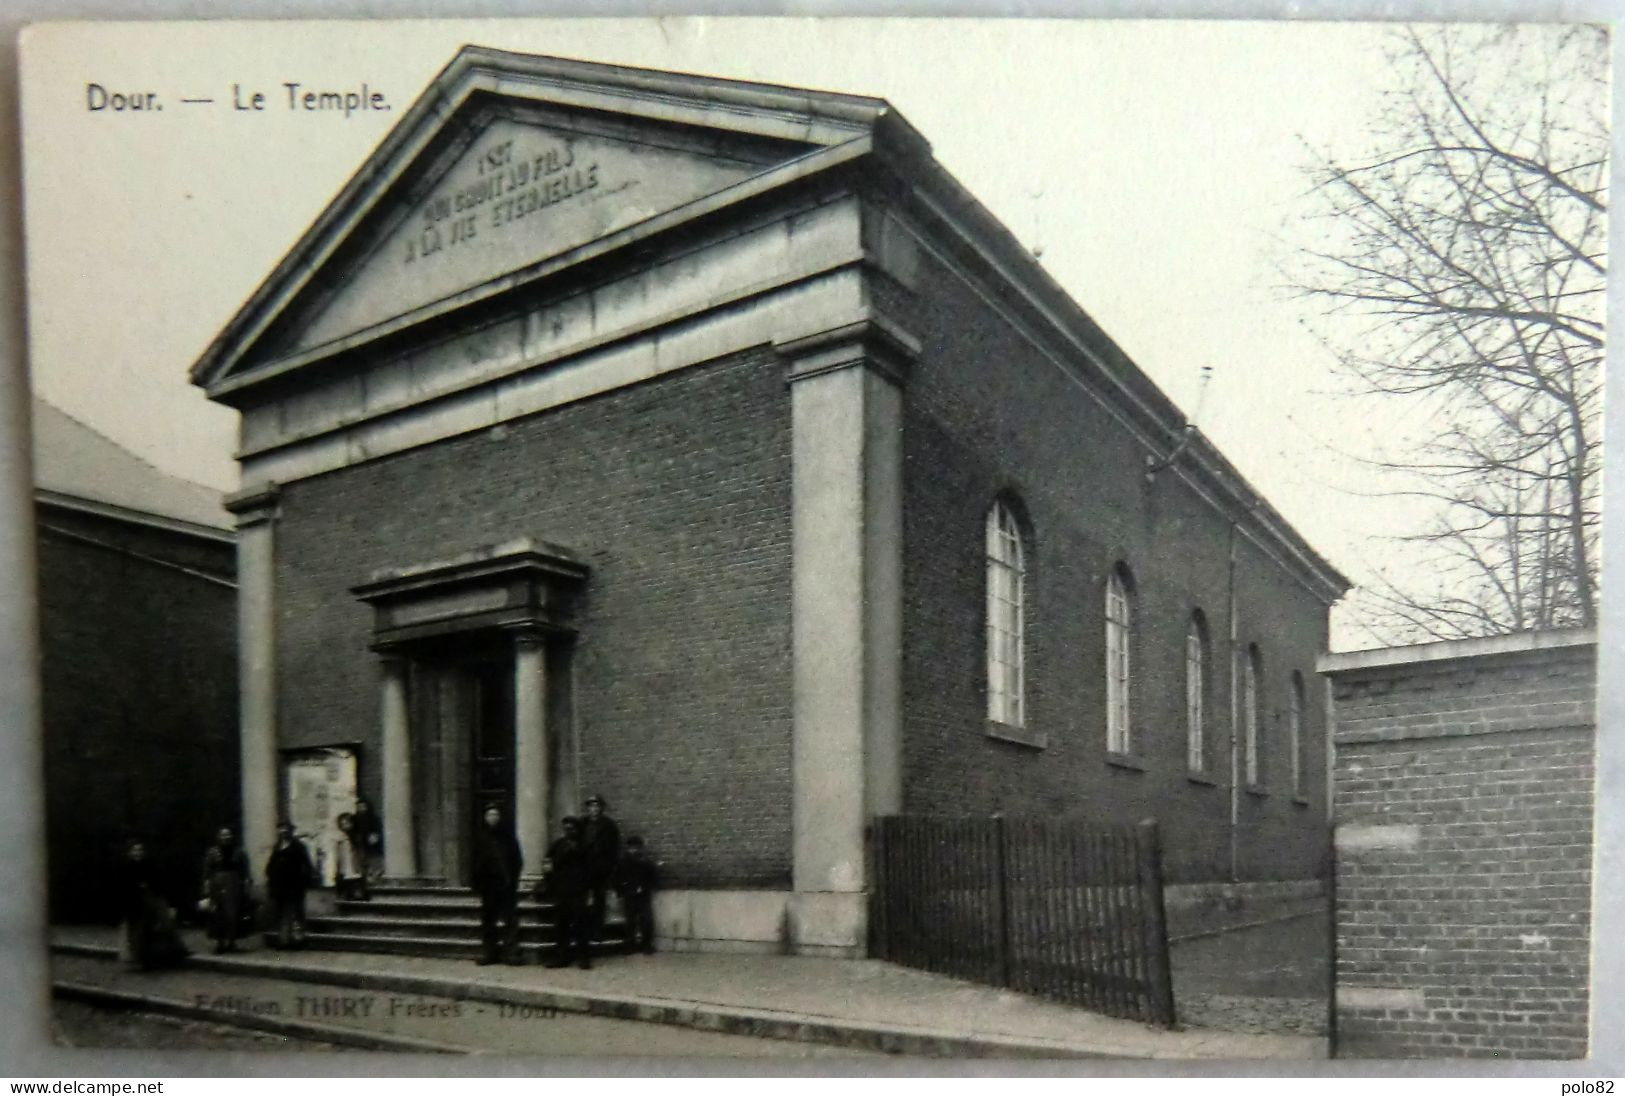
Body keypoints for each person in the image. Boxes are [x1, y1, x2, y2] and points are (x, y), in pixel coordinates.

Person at [117, 839, 189, 970]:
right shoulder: (127, 868)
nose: (137, 853)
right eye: (134, 850)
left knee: (160, 927)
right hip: (135, 904)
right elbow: (124, 889)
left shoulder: (150, 866)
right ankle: (142, 959)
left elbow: (158, 883)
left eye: (140, 850)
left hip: (151, 901)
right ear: (129, 853)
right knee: (139, 932)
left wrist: (148, 887)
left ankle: (165, 956)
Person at [471, 803, 523, 966]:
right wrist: (478, 882)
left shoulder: (508, 837)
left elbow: (517, 860)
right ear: (485, 818)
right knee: (488, 921)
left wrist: (512, 880)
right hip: (488, 885)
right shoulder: (480, 837)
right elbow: (474, 861)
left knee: (509, 920)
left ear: (500, 818)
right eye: (489, 815)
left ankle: (511, 953)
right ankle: (490, 953)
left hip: (506, 884)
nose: (492, 818)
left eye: (495, 815)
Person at [541, 816, 591, 969]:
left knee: (580, 924)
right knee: (562, 924)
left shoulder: (585, 845)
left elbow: (592, 869)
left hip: (579, 890)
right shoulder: (558, 845)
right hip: (562, 890)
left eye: (572, 828)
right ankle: (562, 956)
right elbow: (547, 862)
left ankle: (583, 957)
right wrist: (548, 874)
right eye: (566, 829)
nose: (569, 831)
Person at [579, 794, 621, 959]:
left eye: (597, 806)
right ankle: (584, 929)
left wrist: (610, 867)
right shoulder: (582, 824)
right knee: (583, 899)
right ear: (587, 808)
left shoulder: (609, 826)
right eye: (591, 806)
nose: (594, 809)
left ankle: (597, 930)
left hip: (601, 868)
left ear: (601, 808)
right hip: (584, 868)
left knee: (599, 899)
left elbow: (614, 849)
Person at [200, 826, 251, 954]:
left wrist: (246, 882)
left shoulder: (239, 852)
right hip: (216, 885)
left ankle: (232, 942)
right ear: (219, 837)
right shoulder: (213, 852)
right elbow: (207, 870)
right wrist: (206, 884)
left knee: (232, 913)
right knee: (218, 913)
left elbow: (245, 870)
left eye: (228, 835)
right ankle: (220, 942)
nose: (225, 837)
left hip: (233, 885)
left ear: (231, 836)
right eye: (223, 835)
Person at [264, 821, 315, 949]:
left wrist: (303, 881)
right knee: (282, 913)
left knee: (296, 913)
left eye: (286, 829)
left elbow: (307, 865)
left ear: (291, 831)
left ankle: (297, 940)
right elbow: (271, 865)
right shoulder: (277, 847)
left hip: (294, 886)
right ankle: (284, 940)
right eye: (281, 829)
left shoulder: (298, 846)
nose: (283, 831)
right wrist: (270, 876)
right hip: (280, 886)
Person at [613, 835, 660, 955]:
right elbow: (616, 878)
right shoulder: (622, 863)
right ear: (628, 849)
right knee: (630, 922)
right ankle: (630, 944)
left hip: (643, 896)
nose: (634, 851)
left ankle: (646, 944)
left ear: (641, 849)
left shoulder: (645, 863)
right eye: (631, 848)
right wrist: (621, 891)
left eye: (636, 848)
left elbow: (653, 878)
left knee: (646, 921)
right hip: (629, 895)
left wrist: (646, 888)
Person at [334, 812, 367, 901]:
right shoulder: (341, 839)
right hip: (345, 865)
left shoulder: (356, 837)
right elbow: (339, 855)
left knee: (356, 881)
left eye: (347, 823)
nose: (345, 826)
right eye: (342, 824)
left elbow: (360, 853)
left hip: (355, 865)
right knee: (347, 882)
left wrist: (362, 864)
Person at [352, 797, 384, 886]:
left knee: (373, 867)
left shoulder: (374, 819)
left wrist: (374, 838)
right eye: (359, 807)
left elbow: (377, 832)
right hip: (360, 847)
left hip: (373, 848)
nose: (361, 809)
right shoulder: (355, 819)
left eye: (363, 806)